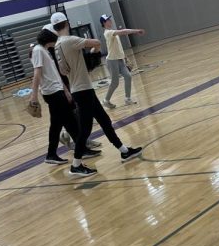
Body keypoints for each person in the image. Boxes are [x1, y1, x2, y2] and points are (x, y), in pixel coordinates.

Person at [52, 14, 142, 177]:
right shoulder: (70, 40)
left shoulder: (58, 45)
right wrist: (94, 51)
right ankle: (76, 165)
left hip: (80, 87)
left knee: (104, 120)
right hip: (83, 90)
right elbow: (96, 43)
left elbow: (64, 71)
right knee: (85, 130)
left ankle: (123, 151)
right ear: (66, 23)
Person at [29, 26, 87, 166]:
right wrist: (34, 95)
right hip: (52, 93)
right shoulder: (38, 50)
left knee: (56, 124)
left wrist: (66, 91)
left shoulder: (45, 51)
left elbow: (54, 73)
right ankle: (82, 149)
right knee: (71, 121)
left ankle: (51, 154)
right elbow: (37, 73)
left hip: (57, 91)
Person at [100, 14, 144, 108]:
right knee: (115, 83)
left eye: (109, 19)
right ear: (104, 23)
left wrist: (124, 57)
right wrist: (136, 31)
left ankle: (127, 99)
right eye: (108, 20)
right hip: (112, 61)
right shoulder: (108, 32)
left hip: (120, 59)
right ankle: (106, 100)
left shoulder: (113, 32)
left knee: (128, 76)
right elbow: (123, 31)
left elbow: (117, 47)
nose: (110, 21)